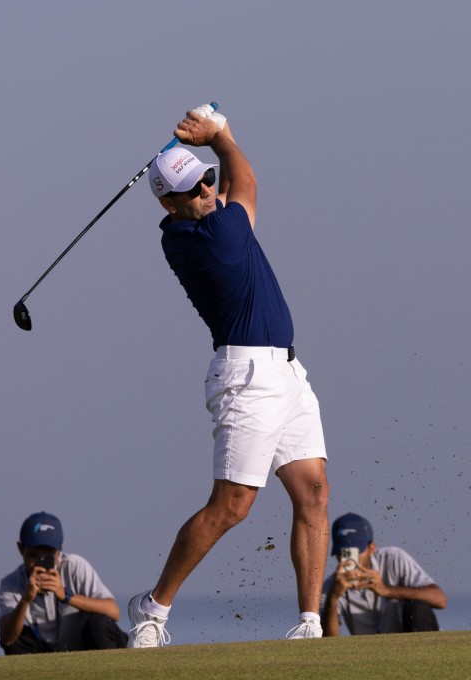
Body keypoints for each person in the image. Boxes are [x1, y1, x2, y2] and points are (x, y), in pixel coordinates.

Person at [125, 104, 330, 647]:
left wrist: (219, 141)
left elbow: (235, 182)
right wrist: (221, 136)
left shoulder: (207, 223)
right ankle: (152, 610)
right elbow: (249, 178)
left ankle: (309, 624)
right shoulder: (211, 238)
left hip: (286, 372)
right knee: (232, 506)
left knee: (313, 492)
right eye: (194, 190)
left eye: (208, 182)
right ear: (169, 203)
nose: (208, 192)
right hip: (247, 378)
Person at [0, 512, 127, 654]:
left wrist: (66, 595)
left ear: (60, 550)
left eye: (48, 556)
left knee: (99, 623)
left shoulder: (74, 566)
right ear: (21, 549)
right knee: (17, 635)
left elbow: (113, 611)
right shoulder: (11, 584)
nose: (40, 563)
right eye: (34, 555)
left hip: (80, 643)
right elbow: (7, 639)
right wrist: (25, 600)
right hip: (45, 649)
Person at [321, 513, 446, 636]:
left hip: (412, 644)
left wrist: (387, 590)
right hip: (370, 653)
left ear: (371, 548)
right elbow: (329, 643)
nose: (348, 559)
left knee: (417, 607)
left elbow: (440, 599)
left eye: (355, 551)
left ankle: (425, 656)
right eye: (342, 552)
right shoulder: (331, 587)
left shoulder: (393, 558)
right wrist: (333, 598)